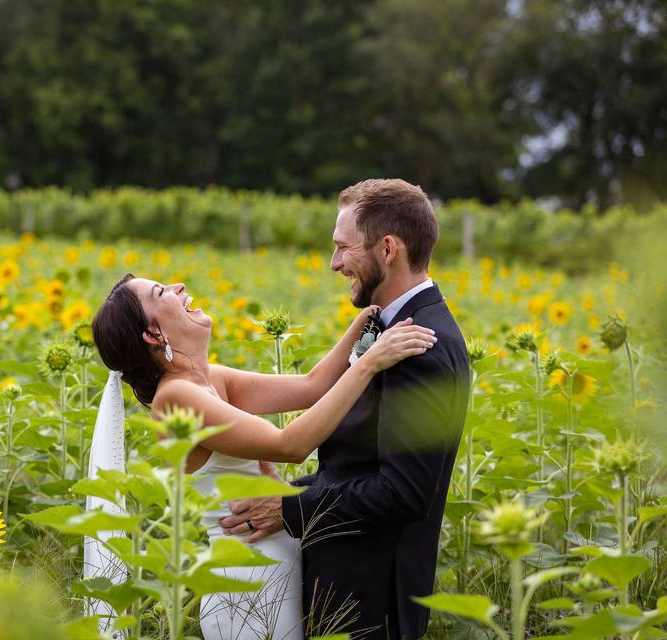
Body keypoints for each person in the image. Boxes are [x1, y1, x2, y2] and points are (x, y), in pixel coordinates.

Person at [91, 254, 438, 637]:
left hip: (273, 570)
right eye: (162, 292)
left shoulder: (211, 379)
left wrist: (367, 322)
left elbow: (311, 387)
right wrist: (369, 363)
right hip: (243, 585)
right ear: (154, 335)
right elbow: (290, 445)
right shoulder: (176, 399)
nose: (179, 287)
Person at [218, 179, 470, 639]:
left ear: (388, 248)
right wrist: (289, 494)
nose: (334, 264)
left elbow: (403, 491)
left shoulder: (423, 347)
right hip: (346, 585)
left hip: (373, 603)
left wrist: (291, 511)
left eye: (342, 248)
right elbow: (357, 466)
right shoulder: (387, 329)